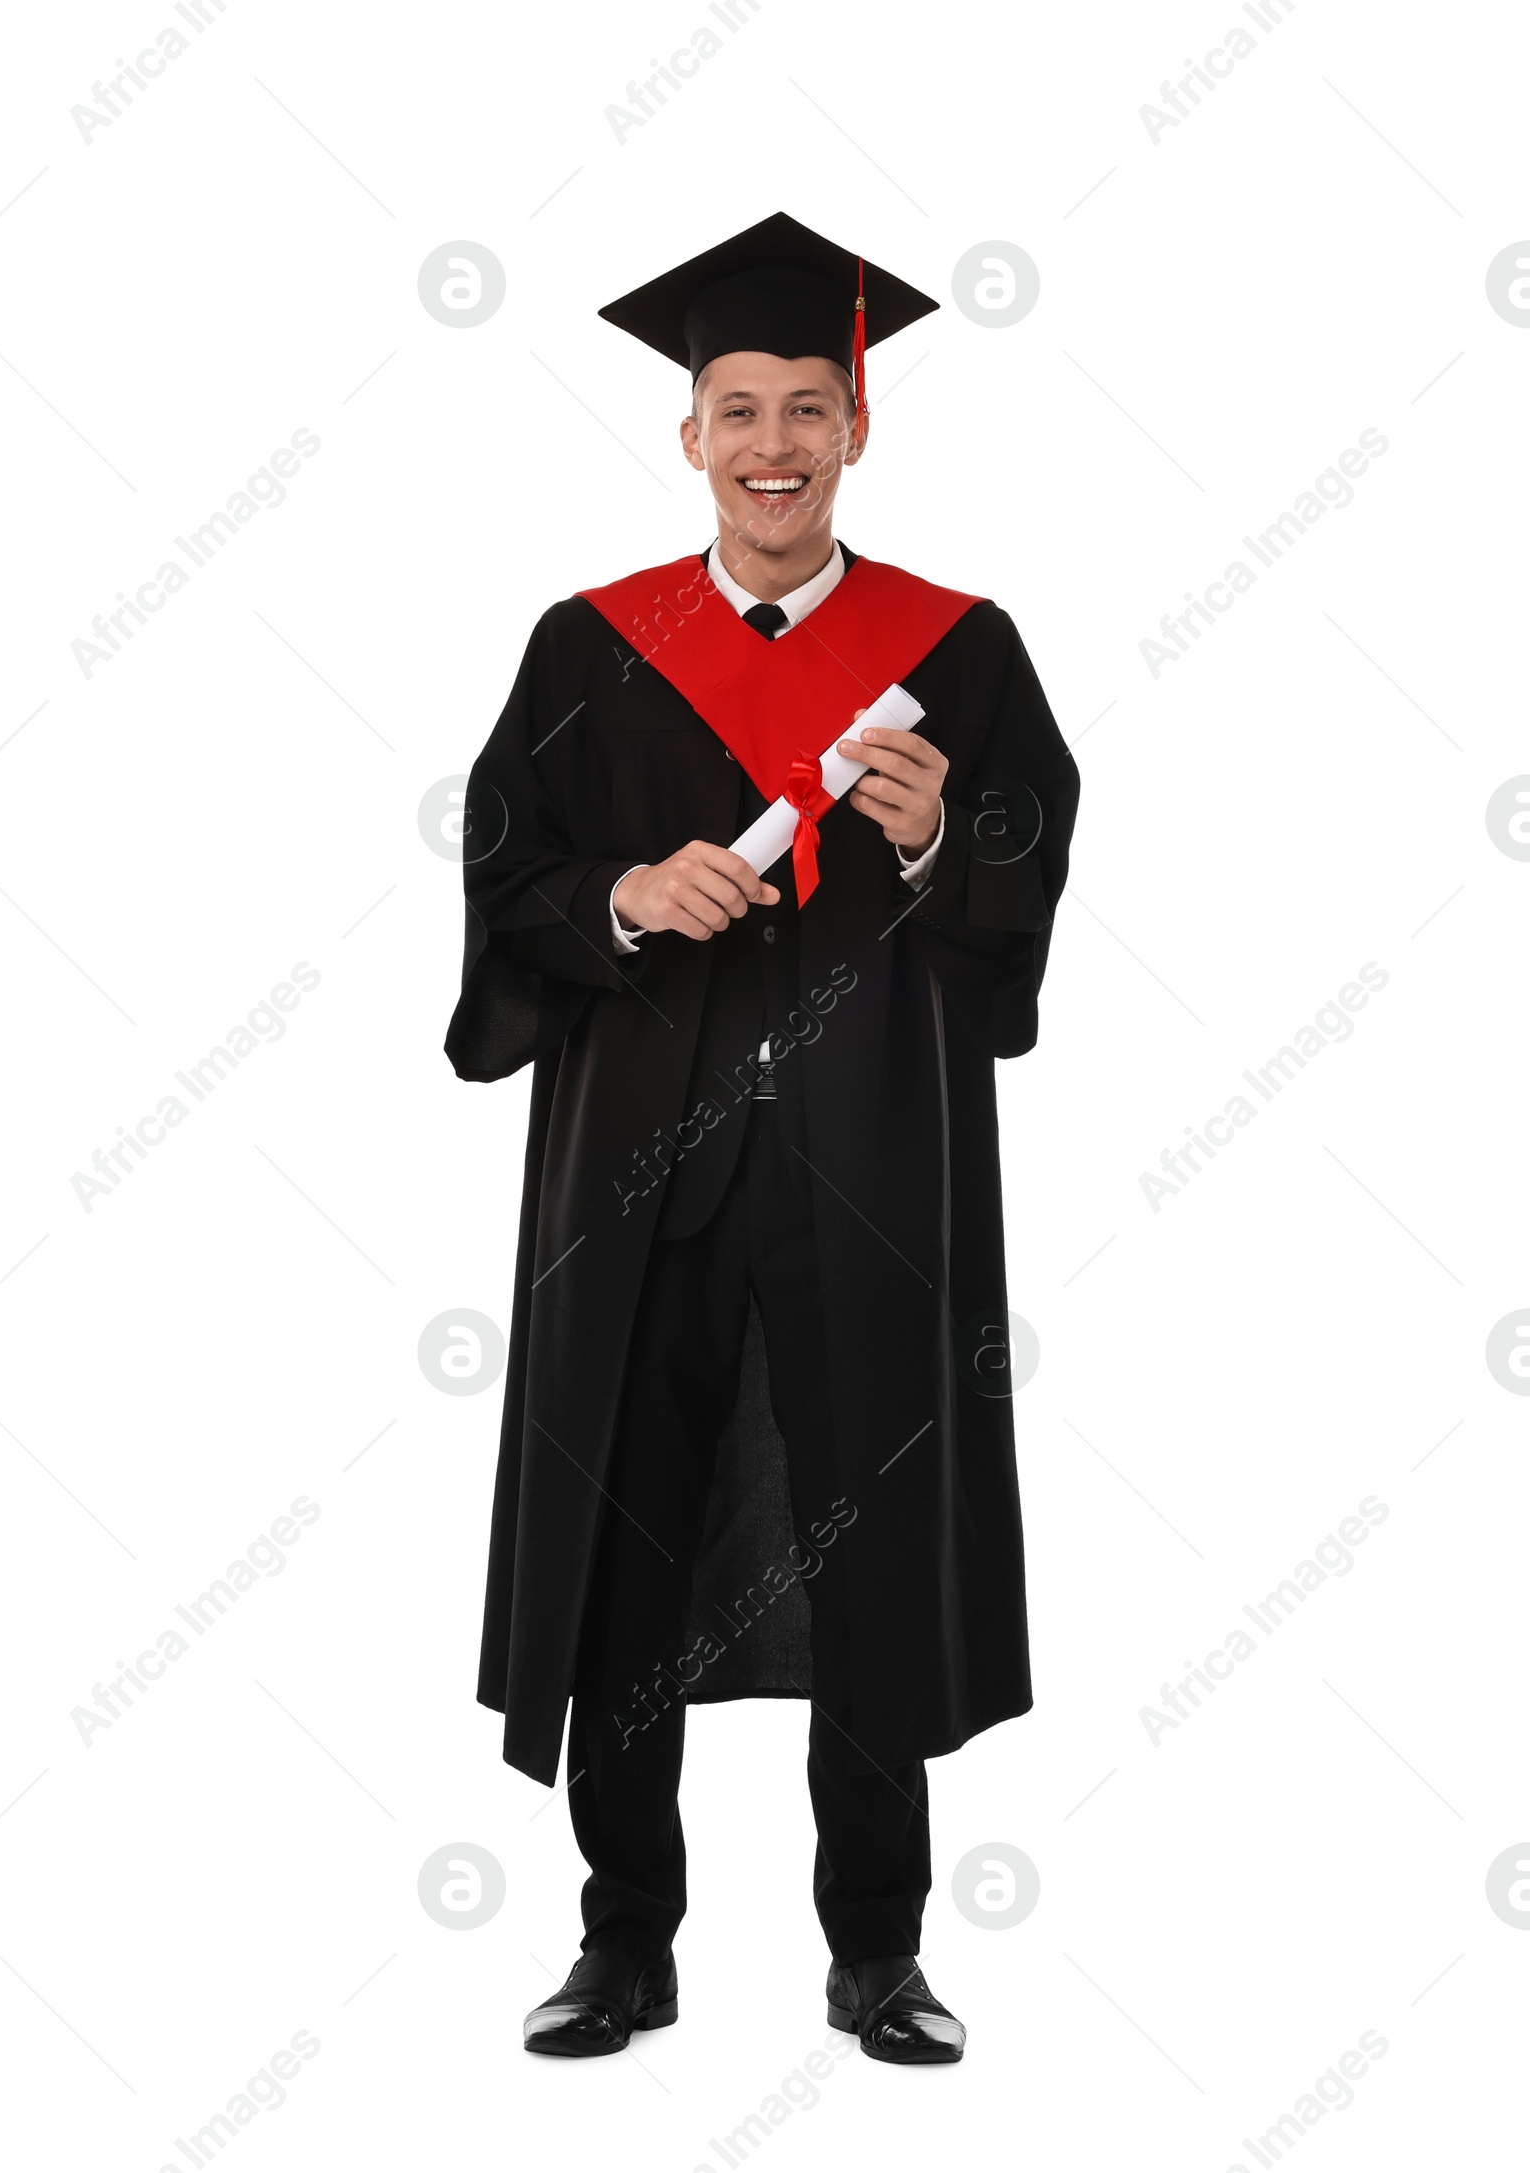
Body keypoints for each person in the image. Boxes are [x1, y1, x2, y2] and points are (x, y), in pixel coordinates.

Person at [445, 211, 1080, 2065]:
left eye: (812, 405)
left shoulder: (958, 655)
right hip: (636, 1172)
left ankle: (876, 1948)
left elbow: (1035, 862)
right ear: (693, 434)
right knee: (627, 1531)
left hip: (870, 1173)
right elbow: (507, 871)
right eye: (741, 409)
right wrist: (627, 894)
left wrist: (937, 835)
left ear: (859, 428)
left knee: (867, 1528)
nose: (776, 443)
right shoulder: (590, 644)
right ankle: (623, 1939)